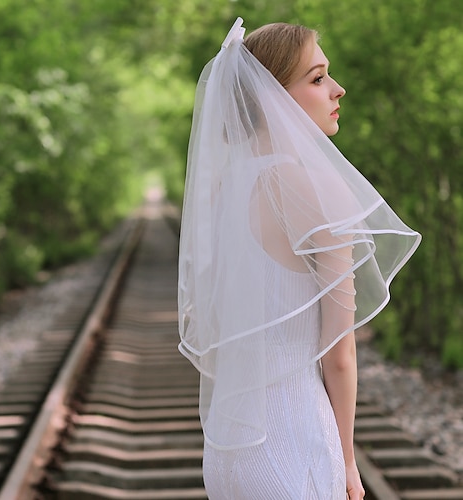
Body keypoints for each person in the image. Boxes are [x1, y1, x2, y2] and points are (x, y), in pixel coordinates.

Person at [178, 18, 421, 500]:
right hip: (292, 443)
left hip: (228, 451)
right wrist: (348, 461)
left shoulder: (226, 187)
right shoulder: (318, 187)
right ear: (274, 96)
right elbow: (340, 354)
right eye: (317, 78)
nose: (338, 89)